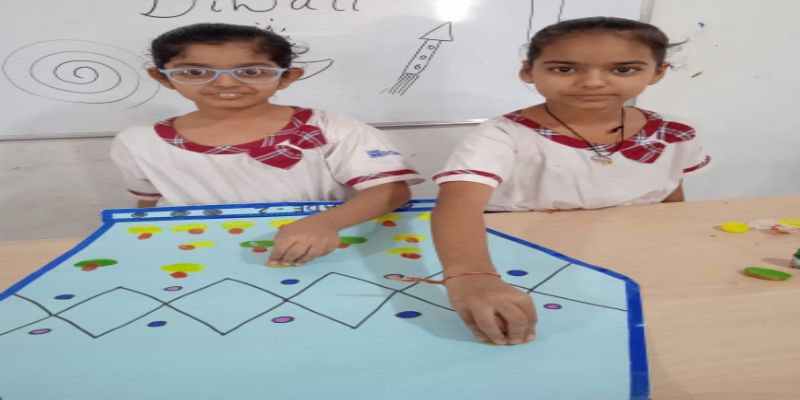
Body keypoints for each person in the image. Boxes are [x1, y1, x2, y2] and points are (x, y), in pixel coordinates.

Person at [431, 17, 710, 345]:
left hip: (629, 252)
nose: (592, 82)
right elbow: (458, 203)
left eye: (623, 69)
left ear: (658, 72)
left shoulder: (675, 132)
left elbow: (671, 193)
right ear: (528, 71)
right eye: (564, 69)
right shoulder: (502, 135)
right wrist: (472, 275)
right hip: (522, 253)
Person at [110, 23, 423, 266]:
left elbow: (391, 191)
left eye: (251, 71)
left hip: (322, 247)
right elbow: (146, 210)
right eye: (194, 72)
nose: (225, 83)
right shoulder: (138, 142)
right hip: (197, 254)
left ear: (287, 77)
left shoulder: (332, 128)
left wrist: (324, 224)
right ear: (162, 77)